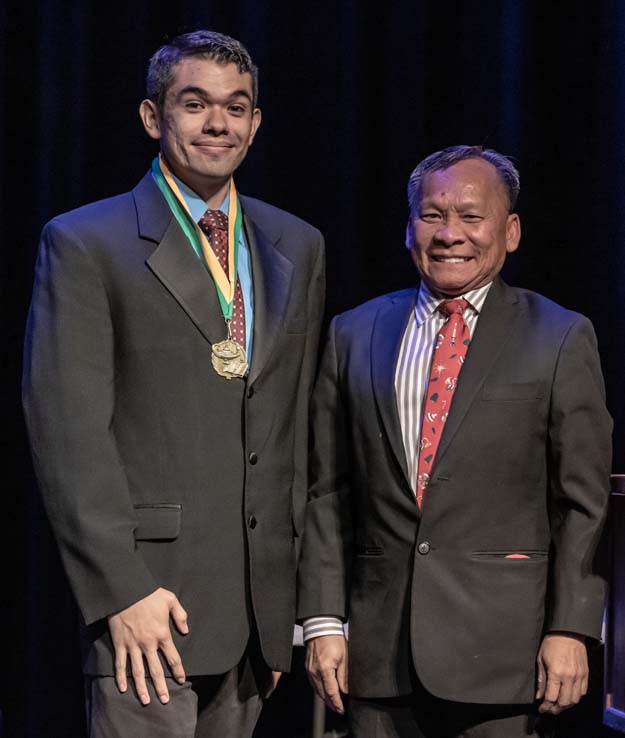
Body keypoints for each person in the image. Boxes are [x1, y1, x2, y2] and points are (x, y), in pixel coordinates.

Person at [22, 30, 324, 738]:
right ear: (154, 118)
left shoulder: (296, 245)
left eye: (235, 106)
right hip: (149, 603)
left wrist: (282, 601)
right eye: (195, 104)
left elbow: (292, 427)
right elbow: (68, 433)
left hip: (254, 612)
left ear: (255, 122)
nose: (217, 122)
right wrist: (121, 591)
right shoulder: (86, 242)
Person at [297, 145, 611, 738]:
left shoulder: (561, 337)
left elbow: (583, 503)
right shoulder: (353, 333)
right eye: (432, 215)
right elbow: (326, 492)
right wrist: (322, 621)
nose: (450, 235)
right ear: (408, 227)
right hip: (376, 656)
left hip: (504, 658)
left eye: (471, 216)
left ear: (510, 230)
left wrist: (570, 628)